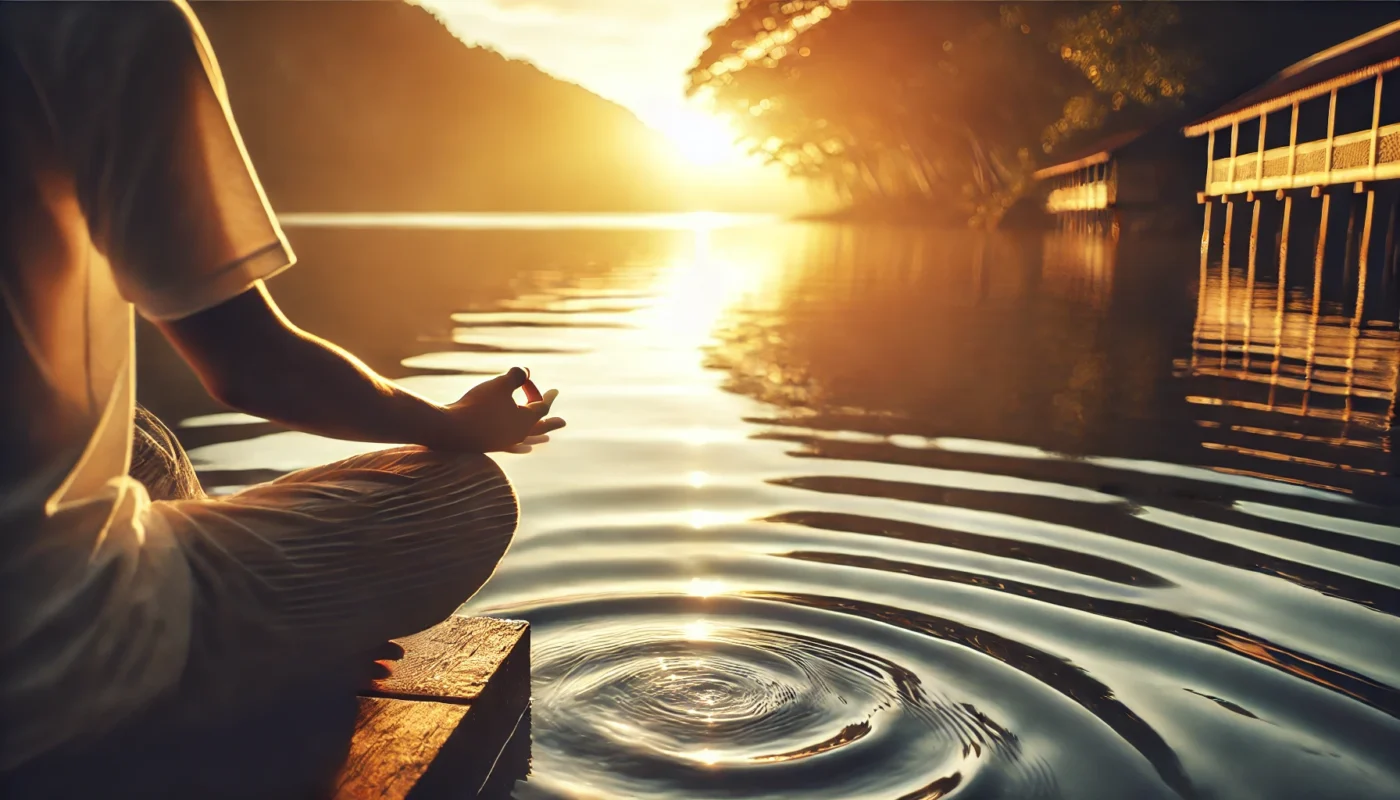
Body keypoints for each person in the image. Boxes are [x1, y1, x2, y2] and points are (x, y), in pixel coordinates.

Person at [0, 0, 564, 775]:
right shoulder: (105, 22)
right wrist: (454, 423)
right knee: (469, 493)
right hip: (42, 665)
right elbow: (254, 366)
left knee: (149, 445)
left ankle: (238, 625)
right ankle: (234, 663)